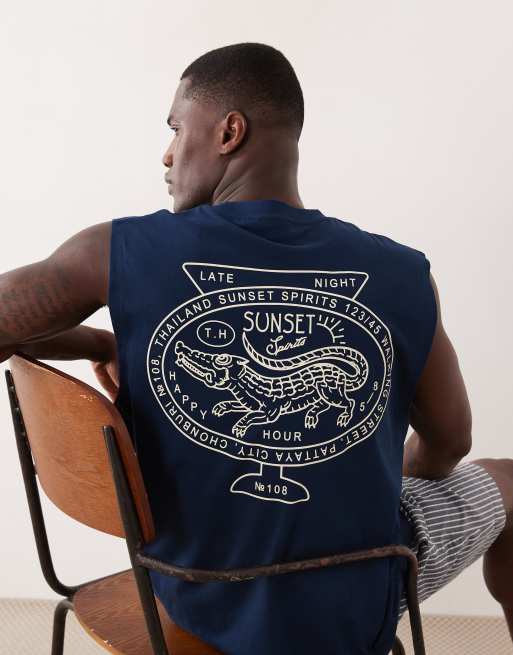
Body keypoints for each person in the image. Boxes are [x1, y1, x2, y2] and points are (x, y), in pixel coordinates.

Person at [0, 41, 510, 654]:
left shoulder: (114, 254)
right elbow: (450, 444)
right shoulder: (403, 274)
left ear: (228, 132)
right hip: (352, 600)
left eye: (175, 129)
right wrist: (363, 476)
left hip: (189, 592)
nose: (166, 155)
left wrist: (92, 339)